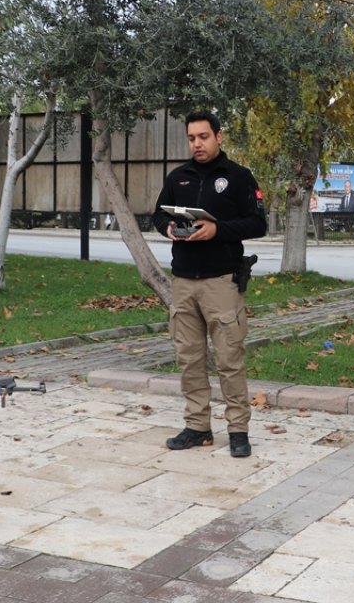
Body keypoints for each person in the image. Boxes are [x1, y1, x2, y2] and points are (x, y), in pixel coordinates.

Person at [152, 111, 267, 458]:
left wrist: (218, 230)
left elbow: (258, 224)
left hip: (221, 282)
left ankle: (238, 430)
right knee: (189, 359)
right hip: (184, 282)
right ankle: (198, 426)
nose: (197, 144)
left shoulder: (238, 177)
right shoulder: (178, 177)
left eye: (203, 137)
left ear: (219, 137)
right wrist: (167, 228)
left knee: (229, 359)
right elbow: (158, 213)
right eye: (191, 138)